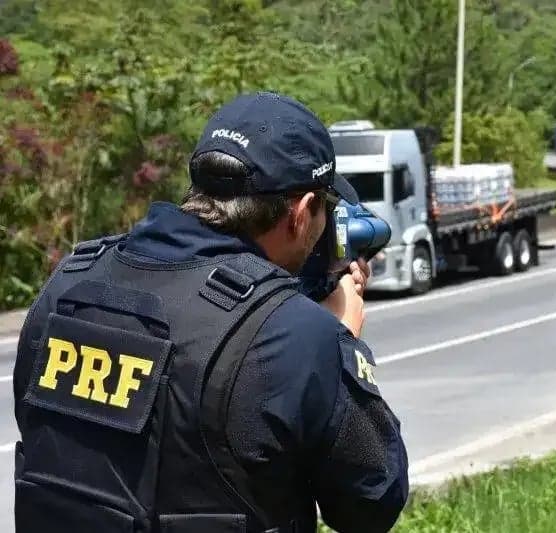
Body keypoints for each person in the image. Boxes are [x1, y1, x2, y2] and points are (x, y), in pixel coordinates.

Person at [13, 91, 409, 533]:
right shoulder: (295, 334)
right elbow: (372, 503)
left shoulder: (68, 282)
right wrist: (341, 342)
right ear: (300, 214)